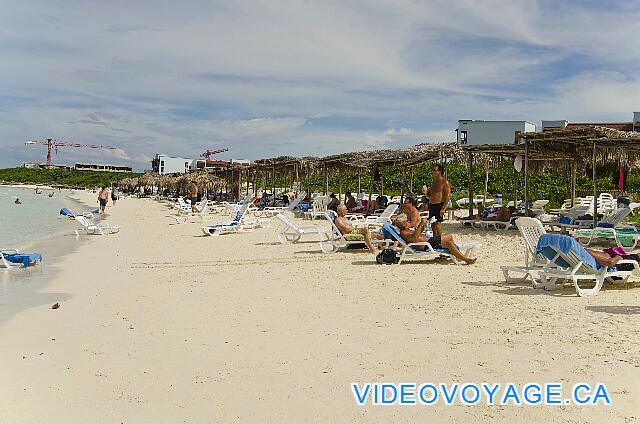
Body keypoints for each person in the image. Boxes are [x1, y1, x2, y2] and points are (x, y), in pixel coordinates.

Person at [394, 215, 477, 265]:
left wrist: (423, 225)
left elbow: (417, 235)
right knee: (449, 240)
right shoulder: (404, 232)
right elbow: (414, 238)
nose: (408, 221)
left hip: (428, 242)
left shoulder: (406, 230)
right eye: (406, 221)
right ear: (403, 224)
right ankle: (464, 259)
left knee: (449, 241)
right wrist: (420, 225)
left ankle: (458, 255)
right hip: (426, 245)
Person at [426, 164, 451, 237]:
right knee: (433, 225)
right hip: (432, 205)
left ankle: (441, 240)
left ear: (439, 171)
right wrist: (426, 193)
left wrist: (443, 208)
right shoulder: (433, 183)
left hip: (439, 205)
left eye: (434, 170)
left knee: (437, 224)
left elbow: (448, 196)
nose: (432, 172)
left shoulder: (444, 182)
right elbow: (430, 195)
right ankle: (435, 240)